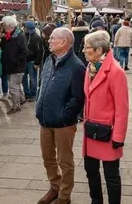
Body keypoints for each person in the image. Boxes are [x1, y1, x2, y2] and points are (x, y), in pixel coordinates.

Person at [36, 28, 86, 204]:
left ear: (64, 42)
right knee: (47, 158)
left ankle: (64, 196)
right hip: (45, 119)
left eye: (52, 38)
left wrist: (65, 117)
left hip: (63, 124)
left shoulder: (77, 66)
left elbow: (78, 97)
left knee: (64, 161)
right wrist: (38, 106)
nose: (49, 41)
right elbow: (42, 85)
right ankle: (55, 187)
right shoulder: (49, 60)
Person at [82, 31, 129, 204]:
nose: (84, 51)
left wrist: (118, 136)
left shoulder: (116, 71)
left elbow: (122, 108)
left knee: (111, 176)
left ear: (99, 50)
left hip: (108, 133)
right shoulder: (90, 67)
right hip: (91, 130)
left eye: (87, 48)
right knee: (90, 171)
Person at [0, 15, 29, 114]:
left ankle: (16, 106)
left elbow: (24, 52)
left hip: (17, 67)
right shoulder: (9, 35)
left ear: (9, 25)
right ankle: (22, 99)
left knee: (13, 86)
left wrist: (16, 61)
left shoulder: (20, 36)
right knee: (16, 85)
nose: (3, 27)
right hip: (10, 66)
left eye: (4, 25)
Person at [23, 20, 43, 102]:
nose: (23, 28)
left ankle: (33, 95)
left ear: (27, 28)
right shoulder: (25, 36)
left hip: (32, 61)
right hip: (25, 61)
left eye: (25, 27)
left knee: (33, 79)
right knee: (24, 78)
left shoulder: (36, 37)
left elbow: (39, 51)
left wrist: (37, 63)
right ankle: (27, 93)